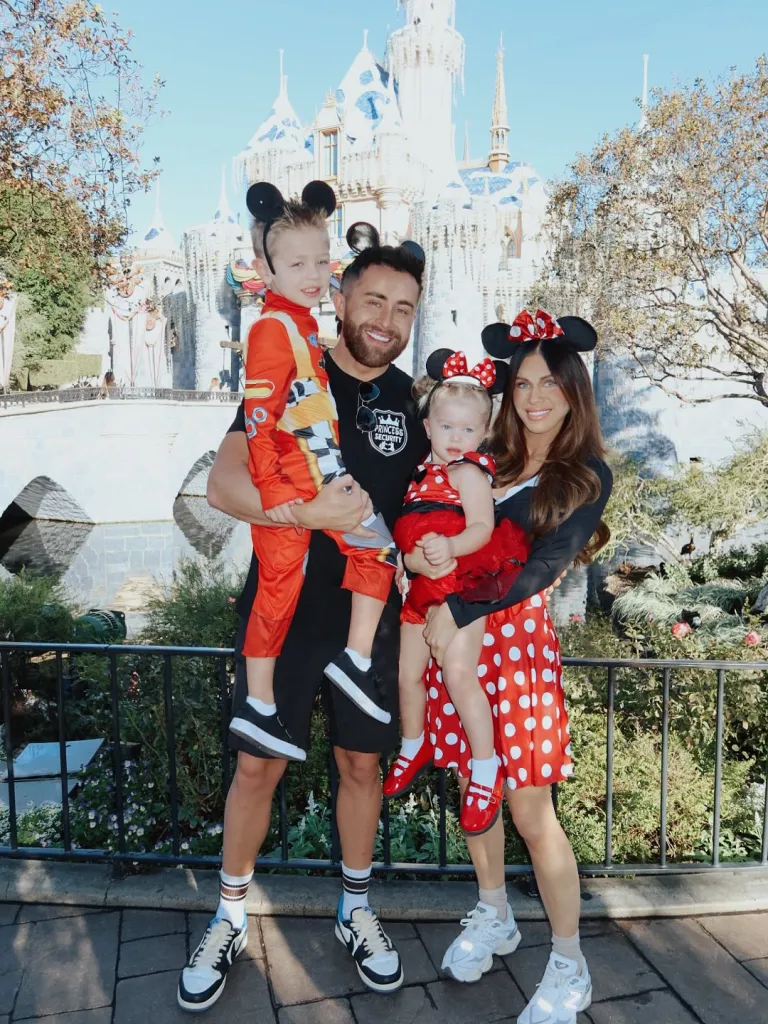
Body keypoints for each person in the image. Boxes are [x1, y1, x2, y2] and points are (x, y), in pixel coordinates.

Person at [177, 224, 428, 1013]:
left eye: (406, 307)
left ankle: (356, 908)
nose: (388, 317)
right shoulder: (290, 363)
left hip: (366, 624)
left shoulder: (414, 405)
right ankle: (227, 916)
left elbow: (430, 511)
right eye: (375, 297)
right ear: (342, 293)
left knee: (361, 766)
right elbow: (223, 486)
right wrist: (313, 511)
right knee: (258, 767)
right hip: (281, 614)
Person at [412, 309, 612, 1024]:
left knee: (531, 810)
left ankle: (569, 964)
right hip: (457, 646)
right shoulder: (485, 456)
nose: (533, 398)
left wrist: (457, 611)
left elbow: (540, 570)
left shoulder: (584, 474)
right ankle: (494, 912)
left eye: (548, 384)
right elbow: (426, 518)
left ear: (572, 392)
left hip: (514, 649)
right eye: (523, 383)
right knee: (476, 788)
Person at [232, 182, 398, 762]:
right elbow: (259, 415)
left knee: (373, 551)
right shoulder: (273, 330)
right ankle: (260, 705)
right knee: (281, 586)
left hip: (319, 475)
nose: (311, 273)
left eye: (320, 260)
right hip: (297, 478)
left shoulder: (301, 326)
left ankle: (349, 662)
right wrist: (277, 492)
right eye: (296, 262)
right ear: (266, 269)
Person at [384, 350, 530, 837]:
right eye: (447, 428)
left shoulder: (468, 472)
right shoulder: (421, 472)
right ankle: (413, 743)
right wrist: (411, 560)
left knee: (458, 671)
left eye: (467, 431)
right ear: (428, 426)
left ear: (483, 434)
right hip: (420, 587)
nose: (456, 439)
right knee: (408, 674)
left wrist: (450, 545)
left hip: (459, 587)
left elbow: (483, 528)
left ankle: (485, 769)